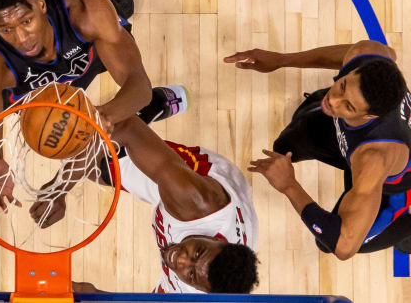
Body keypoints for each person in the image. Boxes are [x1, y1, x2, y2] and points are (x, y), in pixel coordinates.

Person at [0, 0, 188, 210]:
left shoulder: (85, 8)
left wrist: (101, 118)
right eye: (6, 30)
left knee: (123, 6)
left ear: (41, 4)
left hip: (87, 63)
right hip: (34, 91)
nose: (22, 38)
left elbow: (138, 86)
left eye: (26, 21)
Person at [224, 40, 411, 259]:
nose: (333, 101)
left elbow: (343, 245)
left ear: (370, 114)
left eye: (348, 105)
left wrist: (289, 185)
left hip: (403, 175)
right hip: (363, 139)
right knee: (285, 146)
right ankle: (340, 107)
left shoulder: (373, 160)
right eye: (341, 86)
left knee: (332, 240)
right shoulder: (367, 55)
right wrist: (282, 60)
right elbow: (367, 54)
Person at [32, 116, 260, 294]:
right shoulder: (194, 200)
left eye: (190, 273)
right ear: (216, 239)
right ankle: (156, 104)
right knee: (90, 151)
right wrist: (58, 188)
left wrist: (95, 295)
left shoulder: (197, 289)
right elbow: (125, 127)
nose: (179, 259)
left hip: (209, 217)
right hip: (199, 177)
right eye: (197, 252)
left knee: (95, 167)